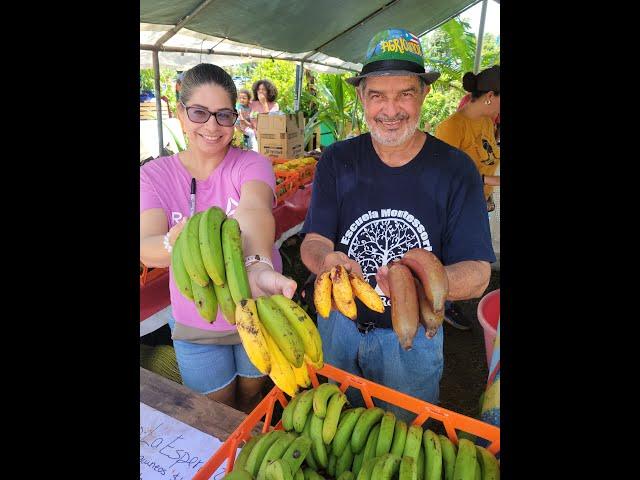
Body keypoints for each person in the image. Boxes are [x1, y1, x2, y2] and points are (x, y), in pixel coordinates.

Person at [299, 28, 495, 421]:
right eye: (377, 96)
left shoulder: (456, 170)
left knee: (401, 435)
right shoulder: (338, 161)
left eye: (405, 93)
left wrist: (415, 282)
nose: (391, 110)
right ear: (361, 98)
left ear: (423, 93)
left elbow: (477, 273)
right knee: (334, 428)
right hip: (338, 324)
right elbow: (313, 240)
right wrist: (327, 260)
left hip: (415, 340)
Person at [140, 63, 297, 413]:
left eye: (223, 115)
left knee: (251, 398)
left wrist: (256, 264)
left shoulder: (251, 164)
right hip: (198, 318)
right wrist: (174, 242)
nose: (212, 126)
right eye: (199, 113)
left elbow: (255, 210)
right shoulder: (154, 175)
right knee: (216, 411)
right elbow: (146, 246)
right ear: (181, 113)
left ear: (235, 118)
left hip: (257, 306)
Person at [434, 66, 500, 330]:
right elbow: (446, 177)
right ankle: (441, 306)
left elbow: (486, 159)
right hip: (454, 207)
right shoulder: (451, 127)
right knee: (450, 258)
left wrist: (487, 194)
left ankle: (448, 300)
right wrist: (491, 182)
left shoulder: (485, 121)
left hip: (477, 203)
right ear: (490, 96)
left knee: (465, 261)